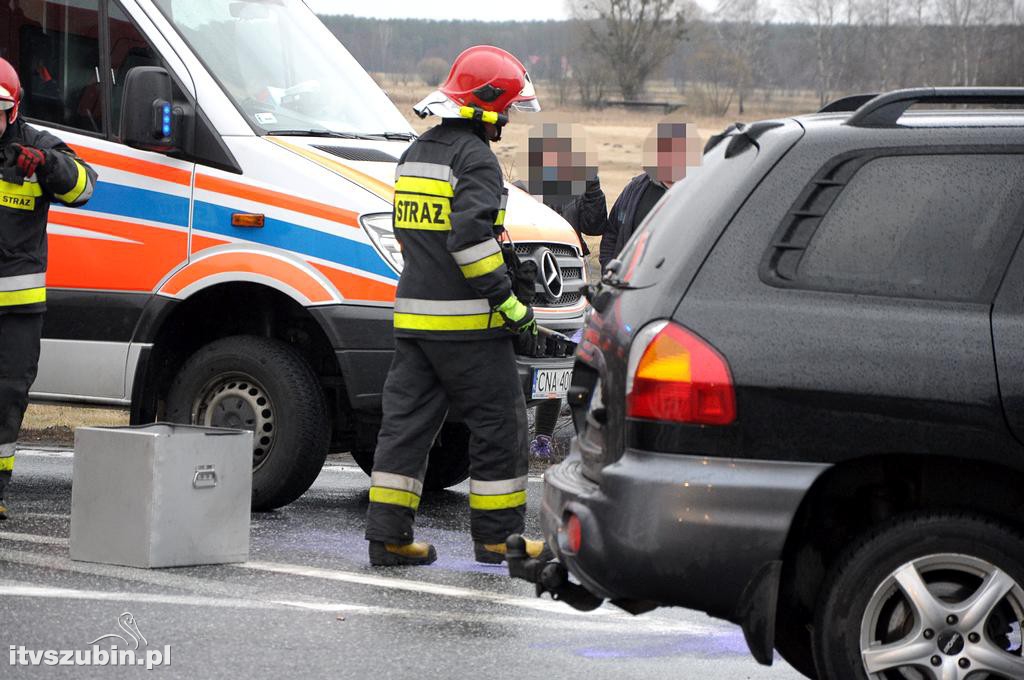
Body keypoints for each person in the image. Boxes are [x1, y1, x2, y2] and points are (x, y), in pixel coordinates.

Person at [365, 45, 550, 567]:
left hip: (414, 322)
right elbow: (469, 242)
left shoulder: (414, 154)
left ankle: (388, 538)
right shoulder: (476, 161)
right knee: (500, 427)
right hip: (469, 327)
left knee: (404, 430)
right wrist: (512, 308)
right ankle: (499, 540)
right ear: (485, 107)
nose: (508, 120)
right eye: (506, 110)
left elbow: (412, 237)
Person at [0, 57, 97, 519]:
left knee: (6, 398)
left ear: (12, 110)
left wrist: (49, 167)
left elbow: (84, 188)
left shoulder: (34, 147)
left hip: (15, 311)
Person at [519, 123, 607, 459]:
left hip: (569, 293)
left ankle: (542, 438)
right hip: (534, 293)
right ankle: (520, 433)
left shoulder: (576, 195)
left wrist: (593, 186)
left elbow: (597, 224)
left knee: (561, 363)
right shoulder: (523, 193)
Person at [599, 121, 702, 270]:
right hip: (630, 283)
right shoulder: (634, 189)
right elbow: (612, 234)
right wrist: (610, 270)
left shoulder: (699, 193)